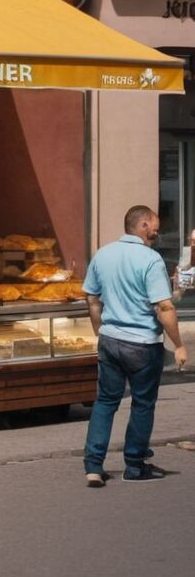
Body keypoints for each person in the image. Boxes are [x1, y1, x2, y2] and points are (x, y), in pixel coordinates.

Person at [81, 205, 188, 486]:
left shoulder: (102, 254)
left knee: (105, 401)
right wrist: (178, 345)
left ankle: (93, 466)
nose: (157, 229)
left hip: (110, 339)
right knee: (142, 404)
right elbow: (164, 306)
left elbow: (92, 299)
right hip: (142, 345)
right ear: (142, 225)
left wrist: (98, 329)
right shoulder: (150, 260)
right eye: (153, 224)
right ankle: (135, 465)